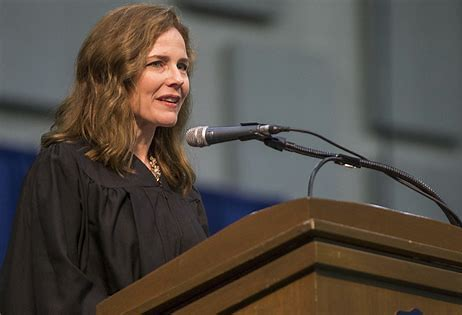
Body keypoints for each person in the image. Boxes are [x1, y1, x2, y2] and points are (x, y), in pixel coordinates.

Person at [0, 4, 208, 314]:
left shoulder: (181, 190)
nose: (177, 78)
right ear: (113, 74)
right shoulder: (67, 167)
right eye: (158, 64)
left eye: (182, 66)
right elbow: (53, 288)